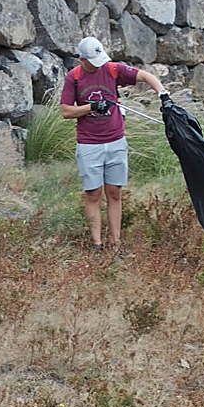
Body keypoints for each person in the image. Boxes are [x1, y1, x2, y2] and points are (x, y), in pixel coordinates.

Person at [60, 36, 169, 251]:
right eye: (94, 60)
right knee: (93, 193)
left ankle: (116, 243)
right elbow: (66, 111)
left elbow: (144, 76)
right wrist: (91, 107)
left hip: (115, 141)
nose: (100, 64)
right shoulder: (73, 78)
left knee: (114, 192)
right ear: (83, 60)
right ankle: (97, 244)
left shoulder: (112, 70)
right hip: (89, 144)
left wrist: (163, 94)